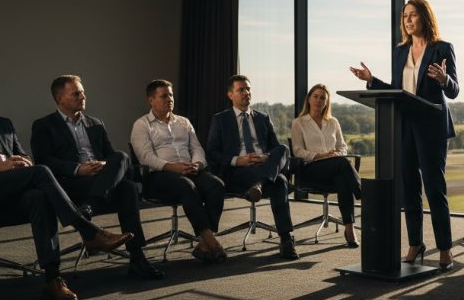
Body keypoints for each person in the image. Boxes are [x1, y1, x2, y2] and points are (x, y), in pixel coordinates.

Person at [0, 67, 133, 300]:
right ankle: (88, 231)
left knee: (39, 195)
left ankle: (52, 278)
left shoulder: (3, 124)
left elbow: (23, 156)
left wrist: (20, 163)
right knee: (41, 172)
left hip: (10, 189)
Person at [350, 0, 459, 271]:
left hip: (431, 127)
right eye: (405, 16)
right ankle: (415, 243)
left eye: (413, 15)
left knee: (435, 189)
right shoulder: (400, 52)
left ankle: (444, 247)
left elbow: (454, 90)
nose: (408, 20)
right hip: (405, 125)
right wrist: (371, 81)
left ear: (425, 17)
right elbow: (399, 89)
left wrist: (444, 80)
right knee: (409, 187)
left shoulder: (442, 48)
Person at [30, 75, 163, 280]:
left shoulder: (95, 123)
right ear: (59, 98)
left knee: (122, 160)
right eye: (76, 93)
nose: (82, 96)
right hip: (69, 184)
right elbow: (43, 160)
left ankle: (136, 257)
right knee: (126, 186)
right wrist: (78, 169)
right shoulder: (44, 125)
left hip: (99, 180)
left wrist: (103, 164)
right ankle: (94, 213)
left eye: (83, 92)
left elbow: (110, 155)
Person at [130, 79, 228, 264]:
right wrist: (173, 167)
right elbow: (146, 158)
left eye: (171, 95)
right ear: (151, 100)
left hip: (189, 169)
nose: (170, 99)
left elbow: (197, 148)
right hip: (159, 175)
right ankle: (210, 240)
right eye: (164, 96)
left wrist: (198, 164)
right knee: (186, 186)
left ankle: (203, 243)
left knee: (216, 185)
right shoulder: (142, 125)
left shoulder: (183, 122)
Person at [206, 75, 299, 260]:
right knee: (279, 181)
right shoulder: (220, 119)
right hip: (237, 172)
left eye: (248, 89)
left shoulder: (263, 118)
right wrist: (237, 160)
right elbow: (211, 153)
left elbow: (275, 148)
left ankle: (260, 186)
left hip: (263, 167)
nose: (246, 93)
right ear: (230, 95)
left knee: (284, 148)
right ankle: (286, 239)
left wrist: (265, 157)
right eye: (241, 89)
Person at [290, 84, 362, 247]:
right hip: (311, 169)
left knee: (343, 178)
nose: (318, 100)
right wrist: (321, 155)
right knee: (343, 165)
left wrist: (337, 154)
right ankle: (362, 194)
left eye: (322, 97)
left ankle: (349, 228)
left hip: (334, 167)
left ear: (326, 102)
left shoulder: (333, 122)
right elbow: (297, 150)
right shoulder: (299, 123)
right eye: (315, 96)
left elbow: (342, 146)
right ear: (309, 99)